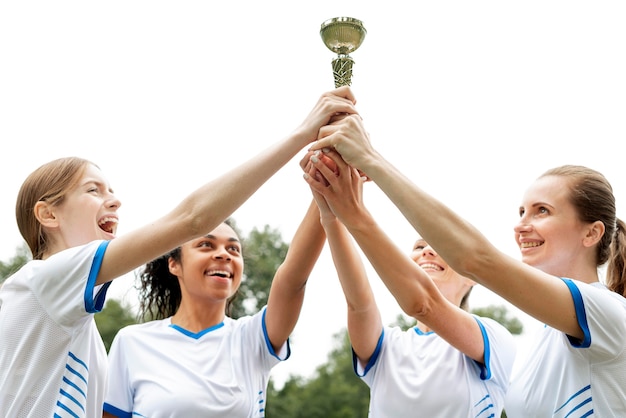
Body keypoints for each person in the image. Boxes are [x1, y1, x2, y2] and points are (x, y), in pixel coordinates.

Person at [0, 86, 357, 418]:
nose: (115, 200)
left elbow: (292, 278)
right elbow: (193, 218)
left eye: (234, 248)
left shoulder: (76, 323)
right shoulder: (43, 281)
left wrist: (334, 190)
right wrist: (303, 134)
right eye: (93, 190)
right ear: (48, 214)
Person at [306, 115, 626, 417]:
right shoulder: (534, 349)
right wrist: (336, 210)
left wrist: (367, 162)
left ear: (592, 233)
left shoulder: (605, 311)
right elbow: (373, 302)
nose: (521, 227)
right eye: (521, 213)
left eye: (542, 211)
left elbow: (467, 265)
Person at [302, 151, 516, 417]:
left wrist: (353, 210)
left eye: (440, 246)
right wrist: (331, 213)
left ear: (471, 277)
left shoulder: (493, 340)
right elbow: (359, 302)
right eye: (419, 246)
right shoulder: (388, 346)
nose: (427, 251)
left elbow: (423, 304)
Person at [103, 199, 324, 418]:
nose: (224, 254)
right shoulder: (132, 342)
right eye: (206, 245)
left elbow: (294, 279)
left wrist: (325, 189)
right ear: (174, 264)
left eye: (233, 249)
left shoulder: (252, 337)